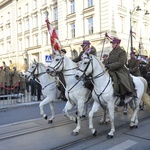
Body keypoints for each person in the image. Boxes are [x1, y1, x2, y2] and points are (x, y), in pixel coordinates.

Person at [105, 37, 135, 106]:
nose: (112, 45)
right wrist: (107, 64)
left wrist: (110, 66)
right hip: (111, 69)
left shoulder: (122, 52)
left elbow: (121, 63)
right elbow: (109, 61)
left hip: (120, 70)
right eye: (112, 43)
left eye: (114, 43)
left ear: (118, 44)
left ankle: (122, 97)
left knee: (120, 80)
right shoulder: (111, 52)